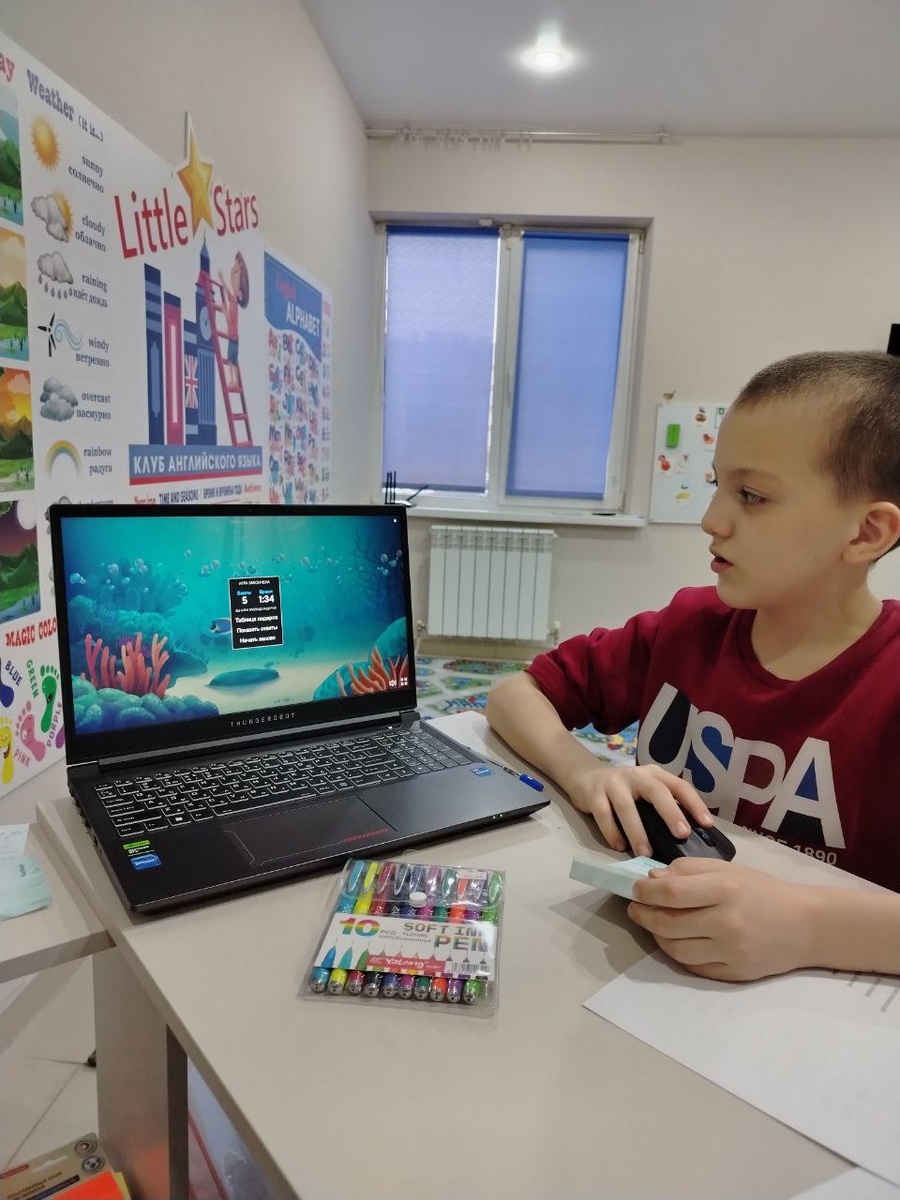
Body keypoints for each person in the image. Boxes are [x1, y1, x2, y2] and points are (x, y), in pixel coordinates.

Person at [486, 350, 900, 983]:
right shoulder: (689, 626)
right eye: (717, 486)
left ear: (866, 533)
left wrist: (808, 925)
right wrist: (586, 772)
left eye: (752, 496)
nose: (711, 521)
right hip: (636, 968)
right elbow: (515, 693)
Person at [218, 251, 249, 385]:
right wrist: (221, 279)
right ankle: (233, 380)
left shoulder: (235, 305)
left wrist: (224, 311)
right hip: (233, 337)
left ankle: (234, 381)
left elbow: (230, 318)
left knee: (231, 360)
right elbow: (227, 290)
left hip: (233, 337)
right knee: (232, 360)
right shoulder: (232, 300)